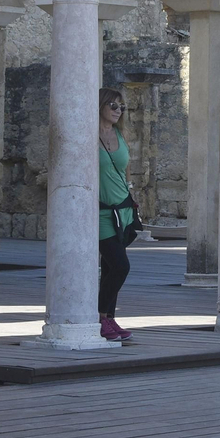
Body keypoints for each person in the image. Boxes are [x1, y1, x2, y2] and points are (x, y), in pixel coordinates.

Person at [98, 87, 135, 342]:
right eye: (113, 105)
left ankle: (109, 318)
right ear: (100, 105)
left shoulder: (121, 134)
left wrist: (132, 192)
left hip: (124, 210)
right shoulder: (89, 135)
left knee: (111, 268)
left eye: (121, 107)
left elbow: (125, 168)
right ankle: (99, 315)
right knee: (121, 266)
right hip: (101, 212)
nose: (118, 110)